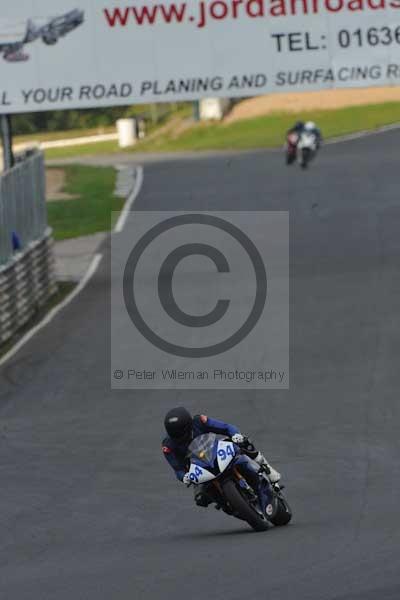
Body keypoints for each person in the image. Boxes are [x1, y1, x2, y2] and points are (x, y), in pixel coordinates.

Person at [162, 407, 281, 509]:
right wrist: (184, 477)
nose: (179, 437)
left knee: (245, 444)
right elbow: (177, 468)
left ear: (189, 424)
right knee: (201, 498)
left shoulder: (199, 421)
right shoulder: (168, 445)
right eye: (175, 435)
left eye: (181, 432)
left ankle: (268, 469)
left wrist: (235, 435)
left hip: (216, 452)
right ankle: (225, 504)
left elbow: (226, 427)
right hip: (198, 468)